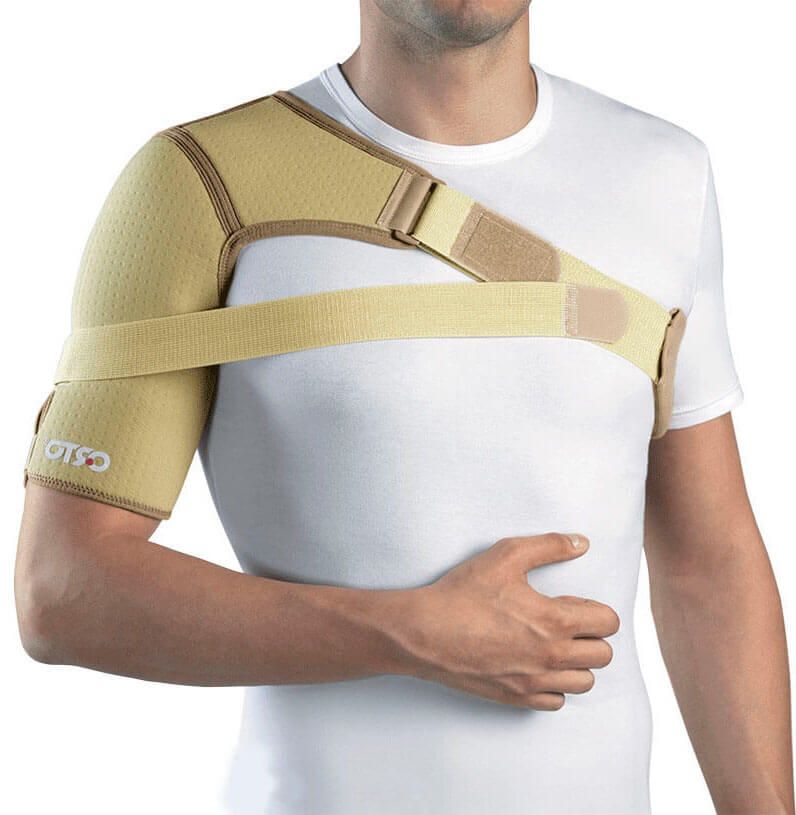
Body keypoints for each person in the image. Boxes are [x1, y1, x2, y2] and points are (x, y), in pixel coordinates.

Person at [15, 1, 793, 813]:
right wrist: (410, 633)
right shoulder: (198, 185)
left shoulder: (666, 176)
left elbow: (709, 562)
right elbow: (63, 587)